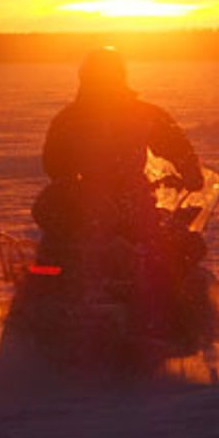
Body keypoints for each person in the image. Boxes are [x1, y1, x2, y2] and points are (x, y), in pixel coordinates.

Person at [33, 46, 204, 277]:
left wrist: (74, 180)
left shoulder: (69, 118)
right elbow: (174, 143)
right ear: (120, 76)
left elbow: (53, 164)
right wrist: (190, 170)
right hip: (128, 201)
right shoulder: (141, 113)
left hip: (85, 202)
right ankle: (177, 303)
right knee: (173, 253)